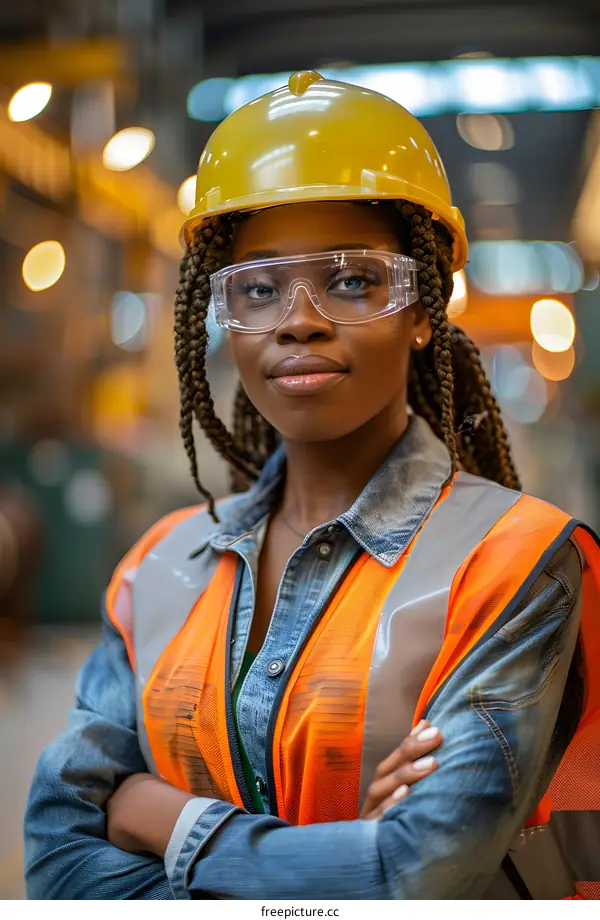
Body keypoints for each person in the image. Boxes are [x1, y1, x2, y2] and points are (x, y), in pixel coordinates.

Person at [25, 71, 600, 900]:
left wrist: (163, 817)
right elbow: (58, 863)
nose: (299, 317)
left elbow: (413, 872)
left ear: (424, 308)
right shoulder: (157, 569)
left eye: (352, 280)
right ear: (225, 317)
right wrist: (331, 860)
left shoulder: (511, 564)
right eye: (259, 289)